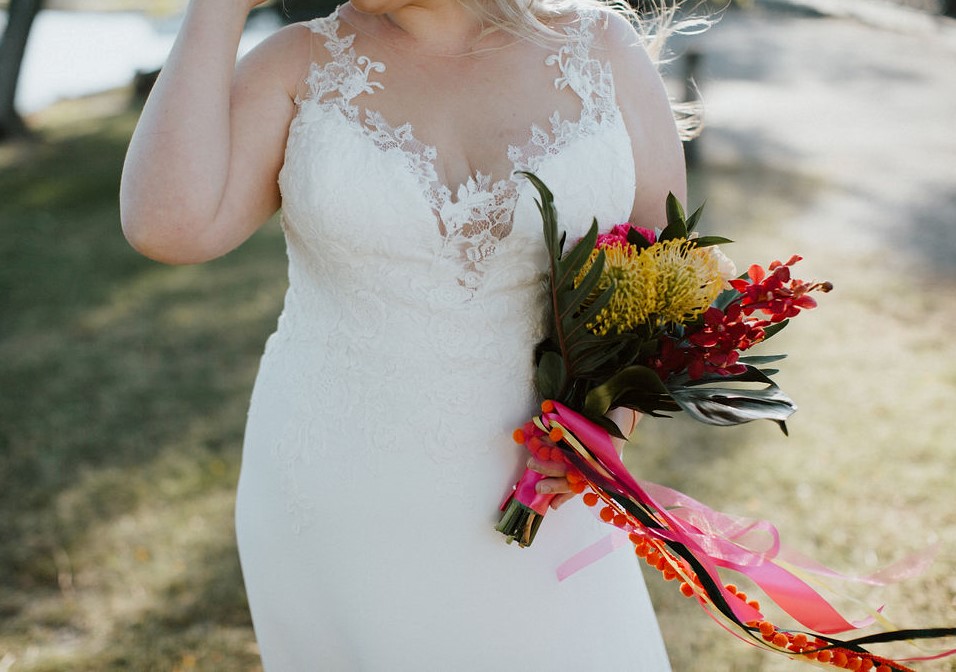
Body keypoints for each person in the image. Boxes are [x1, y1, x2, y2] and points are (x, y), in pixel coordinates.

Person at [120, 0, 687, 667]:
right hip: (337, 500)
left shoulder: (601, 49)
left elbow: (666, 270)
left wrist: (607, 425)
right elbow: (169, 227)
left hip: (550, 494)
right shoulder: (299, 64)